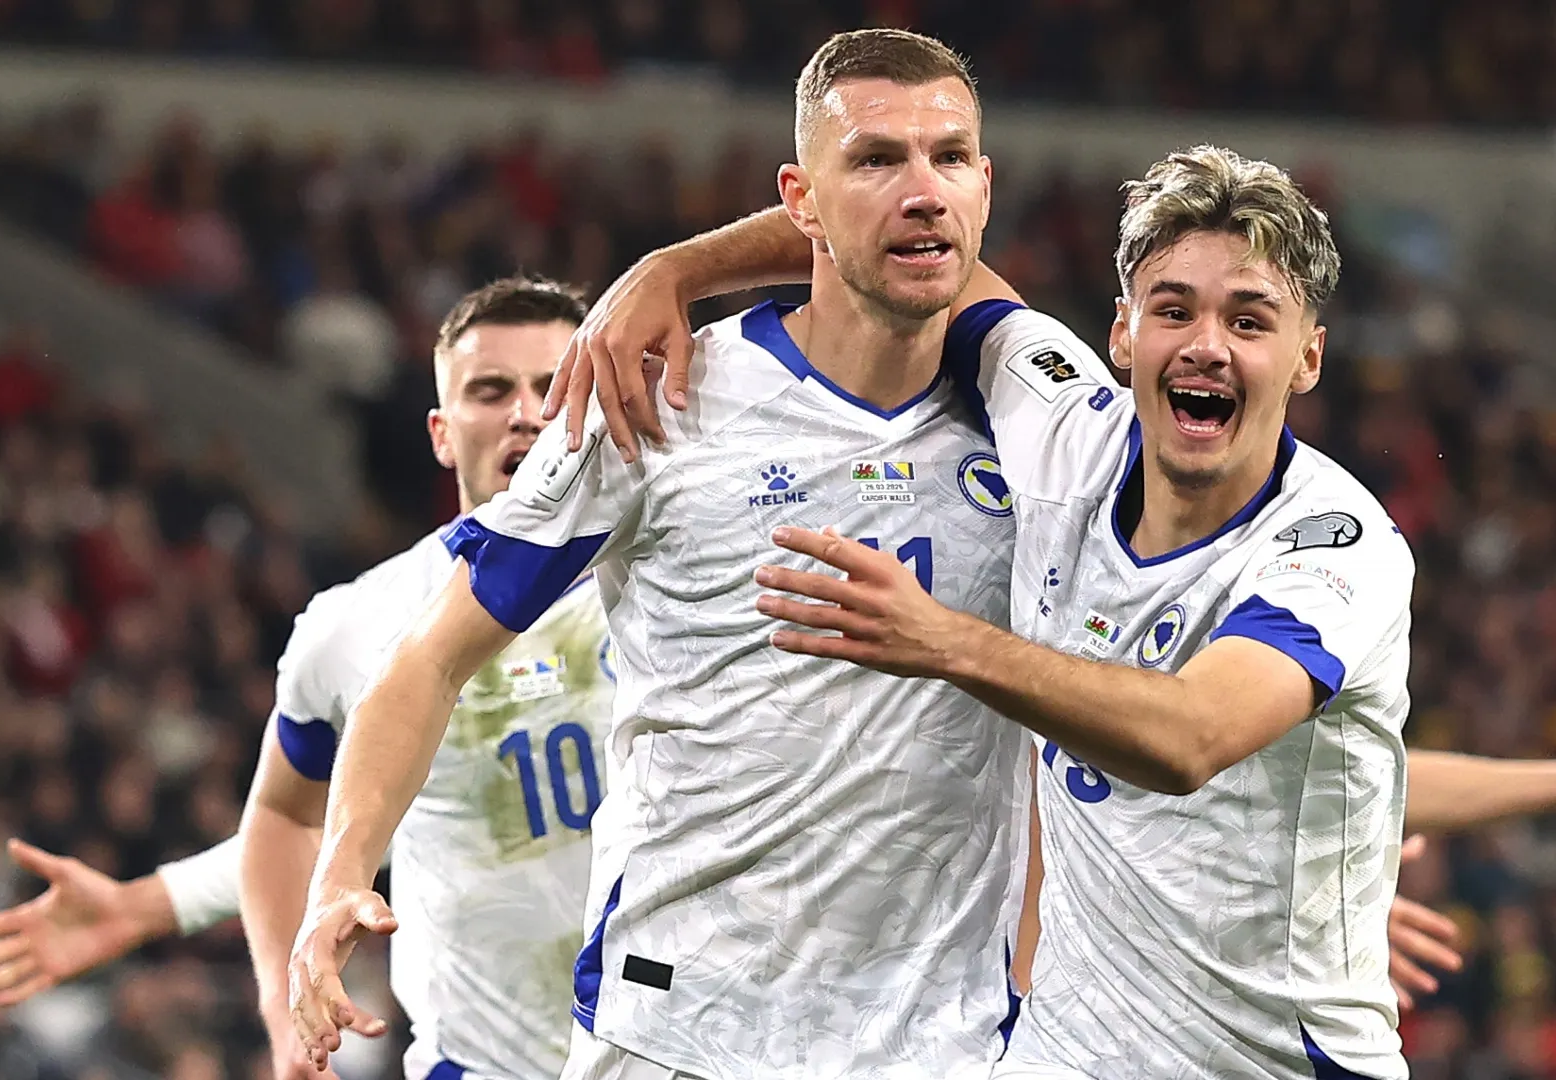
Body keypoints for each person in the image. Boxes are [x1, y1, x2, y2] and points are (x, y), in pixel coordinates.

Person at [548, 144, 1556, 1078]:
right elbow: (910, 248)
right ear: (1122, 333)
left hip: (1271, 1059)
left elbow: (1190, 739)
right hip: (1061, 1051)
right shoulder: (1056, 421)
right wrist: (676, 271)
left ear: (1308, 356)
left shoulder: (1335, 545)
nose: (1206, 344)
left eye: (1250, 321)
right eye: (1174, 309)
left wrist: (943, 641)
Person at [290, 29, 1030, 1080]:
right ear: (799, 200)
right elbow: (428, 660)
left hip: (937, 1041)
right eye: (874, 159)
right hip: (680, 1031)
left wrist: (679, 263)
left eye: (950, 157)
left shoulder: (1037, 420)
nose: (923, 189)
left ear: (986, 185)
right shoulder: (655, 398)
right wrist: (340, 876)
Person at [0, 277, 614, 1080]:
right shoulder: (355, 626)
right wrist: (271, 1004)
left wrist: (154, 902)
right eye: (490, 390)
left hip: (713, 1047)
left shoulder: (682, 584)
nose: (526, 412)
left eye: (552, 384)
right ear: (441, 432)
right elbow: (298, 823)